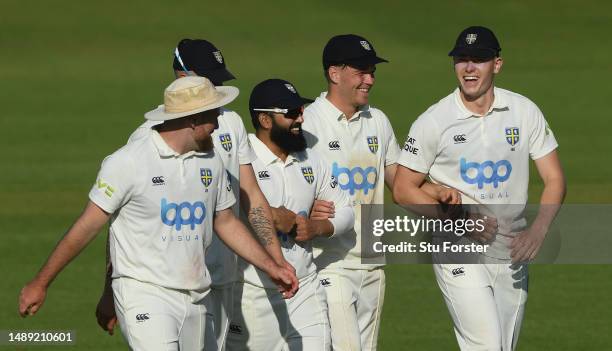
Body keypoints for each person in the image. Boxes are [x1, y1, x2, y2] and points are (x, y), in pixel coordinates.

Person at [19, 76, 298, 351]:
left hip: (196, 297)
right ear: (192, 119)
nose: (217, 125)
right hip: (144, 293)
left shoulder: (211, 160)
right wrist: (41, 283)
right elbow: (87, 227)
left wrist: (271, 266)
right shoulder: (128, 162)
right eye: (212, 116)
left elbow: (225, 221)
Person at [95, 39, 292, 350]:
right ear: (183, 77)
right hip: (169, 279)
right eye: (211, 81)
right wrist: (109, 290)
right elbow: (122, 221)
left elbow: (251, 196)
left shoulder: (232, 123)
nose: (218, 92)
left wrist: (276, 261)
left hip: (223, 276)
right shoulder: (146, 140)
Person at [392, 26, 566, 350]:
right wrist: (461, 221)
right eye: (462, 59)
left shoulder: (523, 111)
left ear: (496, 65)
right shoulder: (434, 121)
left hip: (511, 252)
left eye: (479, 60)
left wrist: (539, 229)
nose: (469, 68)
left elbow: (554, 178)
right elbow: (403, 189)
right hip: (457, 246)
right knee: (487, 346)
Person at [226, 79, 355, 350]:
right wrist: (272, 215)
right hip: (252, 293)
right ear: (265, 119)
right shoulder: (241, 160)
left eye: (300, 110)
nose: (300, 117)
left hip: (305, 288)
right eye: (291, 113)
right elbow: (223, 211)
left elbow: (346, 211)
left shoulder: (311, 159)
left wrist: (317, 227)